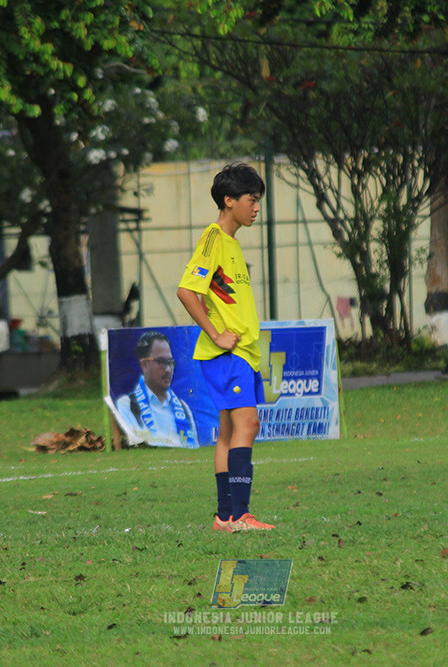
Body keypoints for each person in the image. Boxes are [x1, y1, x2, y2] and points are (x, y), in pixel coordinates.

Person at [176, 163, 274, 532]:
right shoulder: (213, 238)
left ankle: (225, 516)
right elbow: (187, 291)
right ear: (229, 201)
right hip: (227, 355)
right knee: (248, 423)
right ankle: (240, 515)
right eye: (252, 199)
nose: (256, 208)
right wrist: (217, 335)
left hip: (242, 354)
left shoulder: (231, 244)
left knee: (229, 433)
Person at [115, 331, 199, 448]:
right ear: (145, 365)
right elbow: (139, 444)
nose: (168, 369)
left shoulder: (184, 408)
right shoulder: (127, 405)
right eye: (162, 362)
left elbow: (193, 447)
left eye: (171, 363)